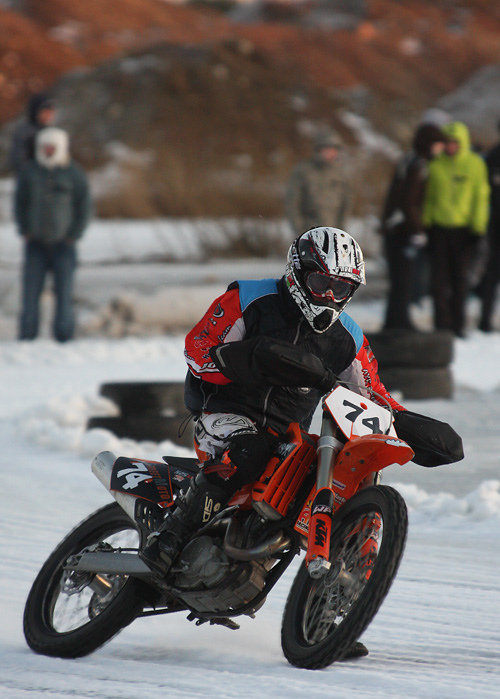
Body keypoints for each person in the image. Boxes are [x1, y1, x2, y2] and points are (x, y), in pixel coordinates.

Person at [140, 227, 464, 661]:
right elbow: (197, 347)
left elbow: (373, 394)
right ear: (297, 272)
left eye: (341, 288)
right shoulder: (248, 298)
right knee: (249, 450)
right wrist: (243, 359)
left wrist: (408, 425)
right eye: (321, 282)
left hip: (286, 431)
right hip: (224, 409)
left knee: (345, 480)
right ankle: (170, 537)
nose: (329, 296)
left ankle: (332, 614)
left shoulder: (348, 337)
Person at [14, 127, 91, 342]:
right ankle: (27, 336)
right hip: (35, 244)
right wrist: (25, 230)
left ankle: (64, 337)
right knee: (30, 293)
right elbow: (20, 203)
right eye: (45, 147)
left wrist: (74, 234)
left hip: (63, 245)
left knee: (64, 294)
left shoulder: (73, 173)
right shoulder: (30, 172)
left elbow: (84, 206)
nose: (48, 151)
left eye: (52, 148)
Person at [422, 121, 490, 337]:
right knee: (438, 281)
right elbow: (429, 198)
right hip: (439, 230)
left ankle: (458, 324)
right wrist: (427, 225)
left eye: (455, 142)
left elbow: (480, 196)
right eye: (448, 142)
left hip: (464, 231)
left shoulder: (475, 164)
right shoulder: (436, 165)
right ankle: (441, 325)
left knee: (460, 280)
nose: (451, 147)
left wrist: (477, 227)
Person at [380, 123, 447, 329]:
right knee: (404, 279)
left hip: (396, 228)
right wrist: (417, 230)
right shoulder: (417, 165)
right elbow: (408, 201)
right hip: (402, 230)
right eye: (438, 145)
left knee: (399, 280)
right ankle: (400, 323)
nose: (440, 150)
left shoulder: (410, 160)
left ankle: (394, 321)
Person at [285, 131, 351, 236]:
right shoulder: (303, 171)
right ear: (319, 149)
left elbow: (345, 206)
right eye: (328, 148)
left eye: (334, 149)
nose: (332, 152)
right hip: (309, 232)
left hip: (333, 233)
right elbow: (292, 203)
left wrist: (341, 233)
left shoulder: (339, 174)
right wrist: (301, 232)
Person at [477, 123, 500, 332]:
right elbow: (482, 191)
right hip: (494, 224)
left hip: (493, 223)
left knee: (492, 273)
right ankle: (485, 321)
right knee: (492, 273)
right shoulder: (493, 156)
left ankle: (485, 320)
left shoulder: (492, 154)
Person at [9, 92, 57, 174]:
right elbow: (19, 160)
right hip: (31, 177)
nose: (49, 115)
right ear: (36, 112)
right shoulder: (24, 132)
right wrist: (32, 176)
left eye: (50, 112)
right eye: (45, 112)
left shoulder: (52, 131)